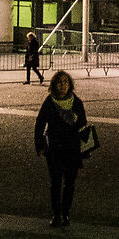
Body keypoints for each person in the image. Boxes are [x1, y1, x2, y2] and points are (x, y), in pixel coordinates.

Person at [34, 69, 90, 227]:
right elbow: (40, 124)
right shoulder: (49, 102)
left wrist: (85, 148)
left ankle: (66, 213)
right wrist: (39, 145)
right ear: (53, 85)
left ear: (70, 84)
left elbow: (83, 125)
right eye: (59, 82)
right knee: (56, 182)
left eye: (65, 82)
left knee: (70, 183)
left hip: (72, 148)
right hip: (55, 148)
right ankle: (56, 214)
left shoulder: (77, 102)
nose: (62, 85)